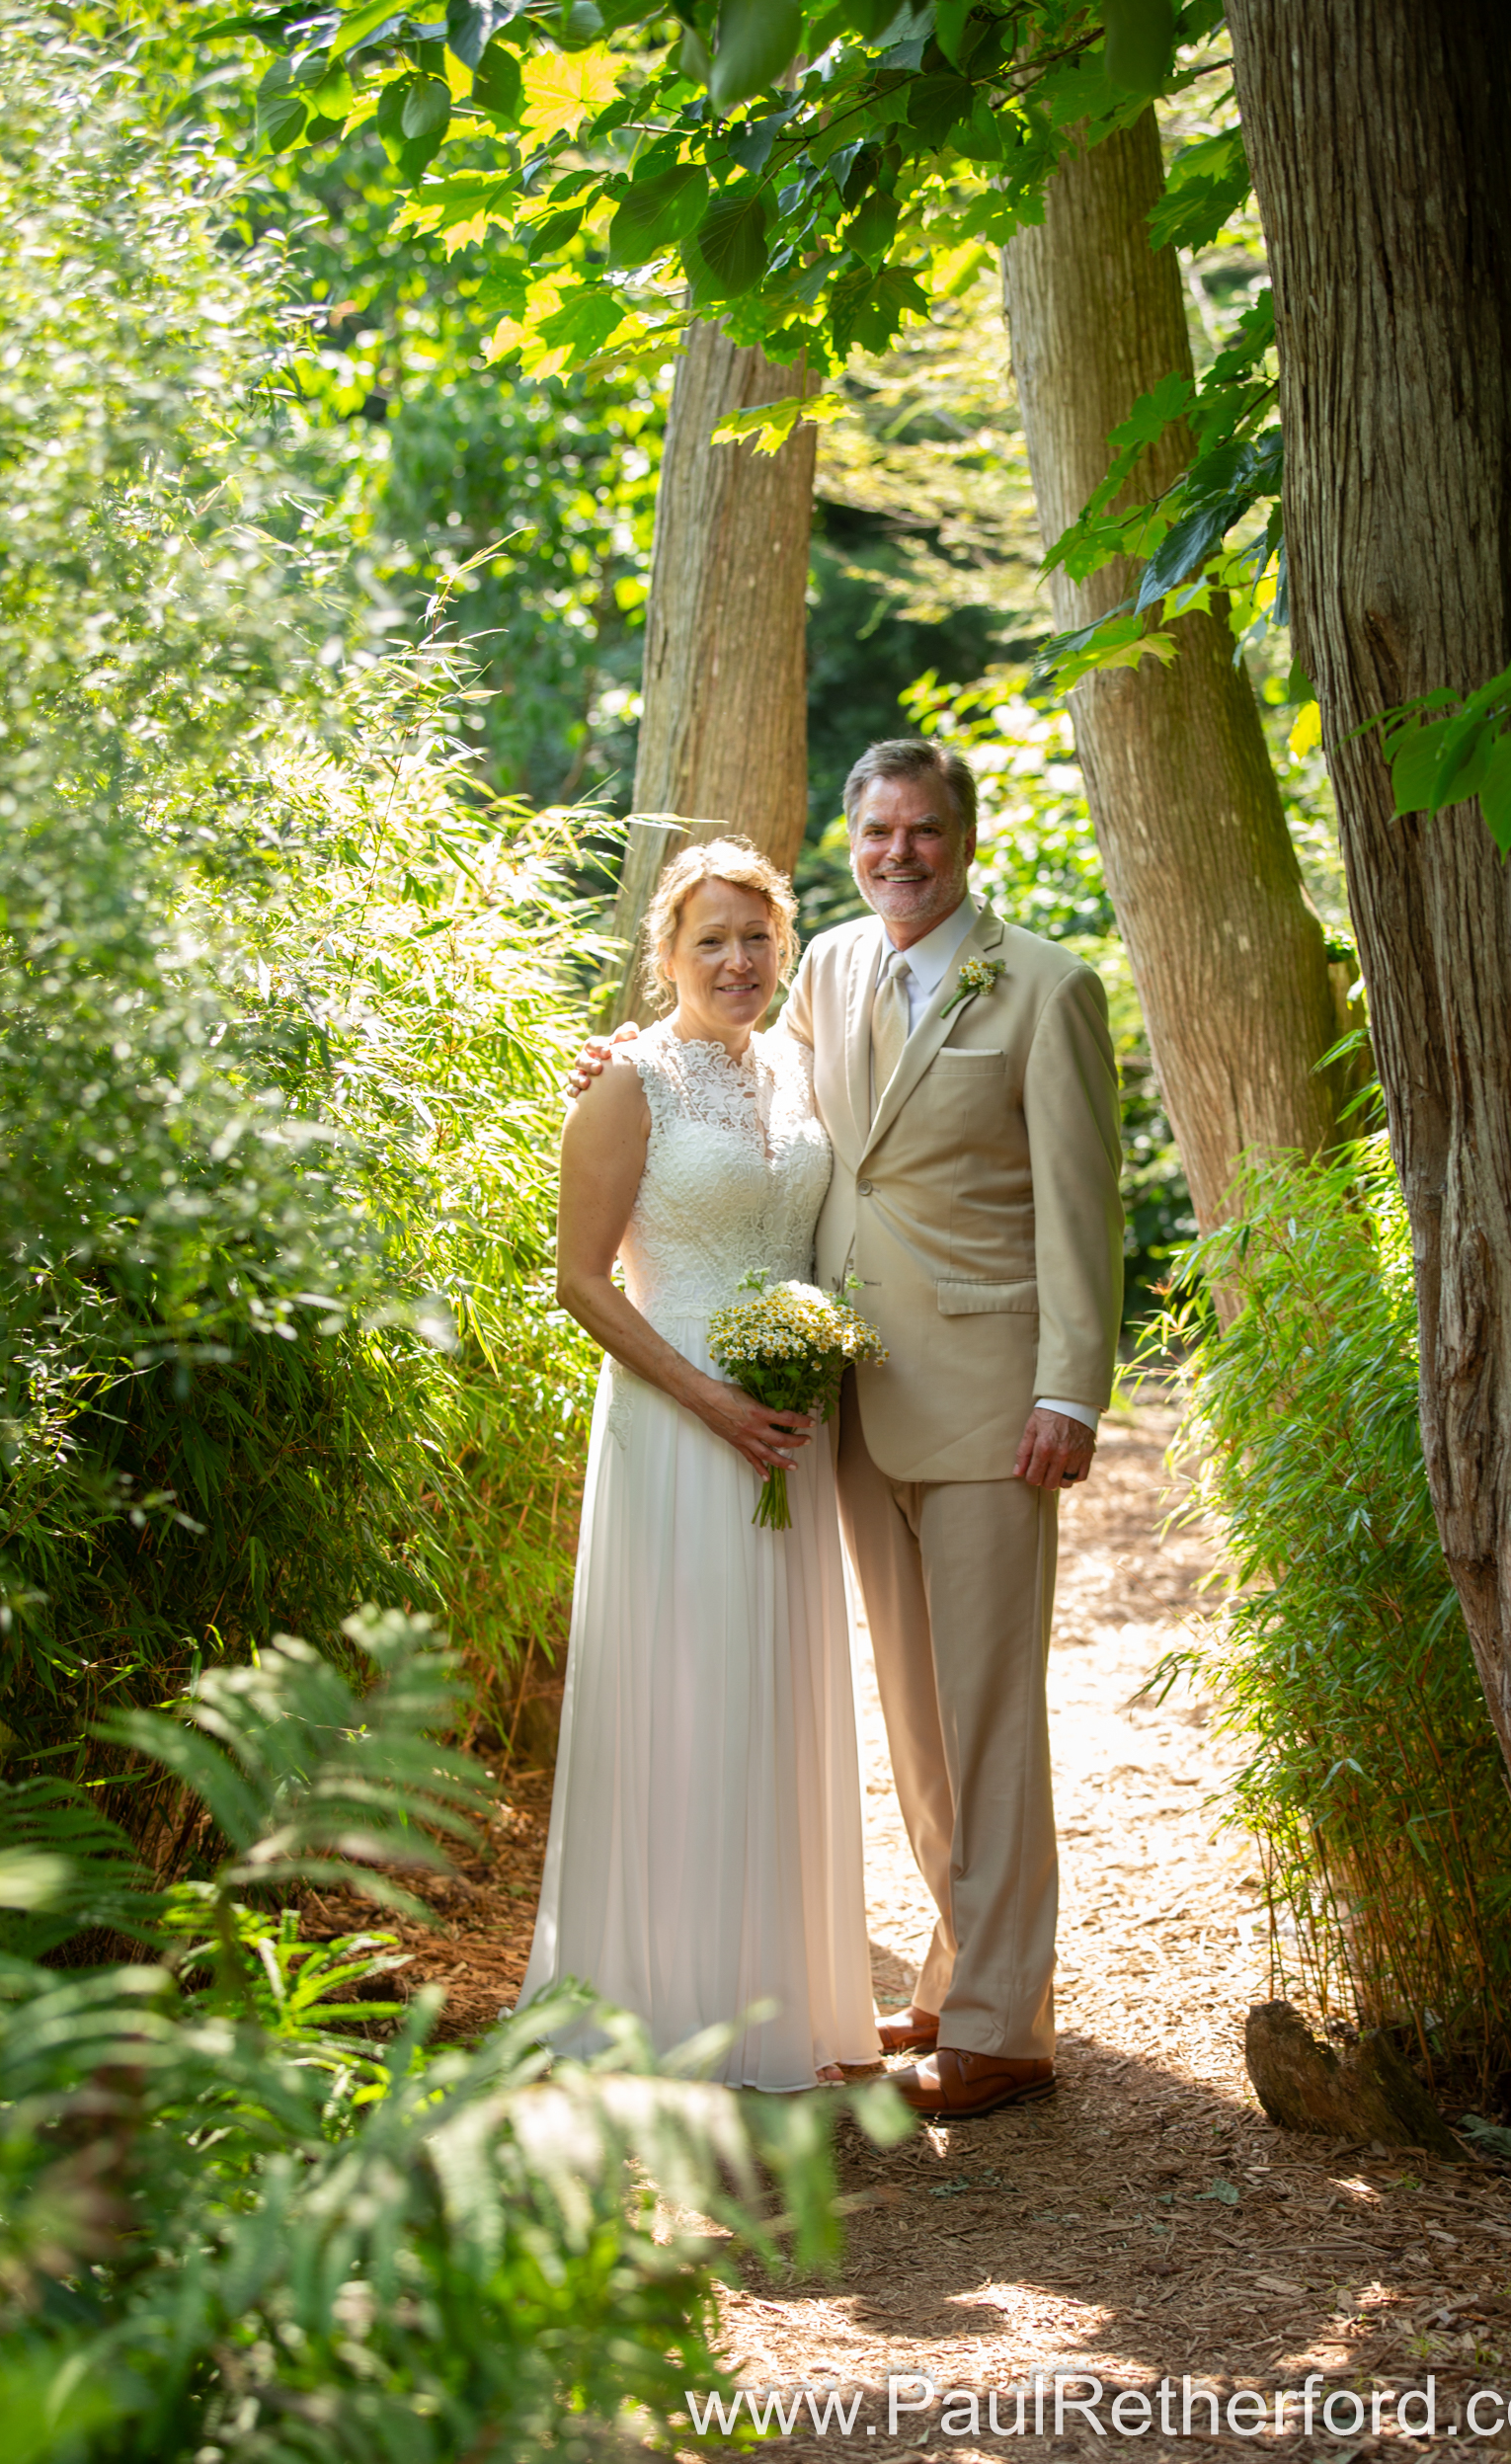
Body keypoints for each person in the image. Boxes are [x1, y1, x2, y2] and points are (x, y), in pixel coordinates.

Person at [578, 739, 1125, 2119]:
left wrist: (1069, 1389)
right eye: (876, 831)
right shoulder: (824, 965)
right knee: (917, 1715)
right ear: (852, 840)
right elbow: (747, 1090)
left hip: (993, 1401)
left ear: (963, 836)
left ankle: (1003, 2028)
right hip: (851, 1406)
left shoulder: (1046, 986)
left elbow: (1082, 1204)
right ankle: (954, 1976)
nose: (898, 854)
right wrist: (621, 1065)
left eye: (922, 829)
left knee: (990, 1714)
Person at [516, 837, 877, 2091]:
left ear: (784, 945)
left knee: (770, 1703)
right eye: (709, 939)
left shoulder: (799, 1067)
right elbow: (578, 1280)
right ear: (664, 955)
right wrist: (711, 1400)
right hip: (678, 1425)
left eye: (756, 936)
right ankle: (661, 1999)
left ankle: (779, 1995)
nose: (736, 960)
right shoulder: (629, 1083)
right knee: (683, 1703)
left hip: (787, 1429)